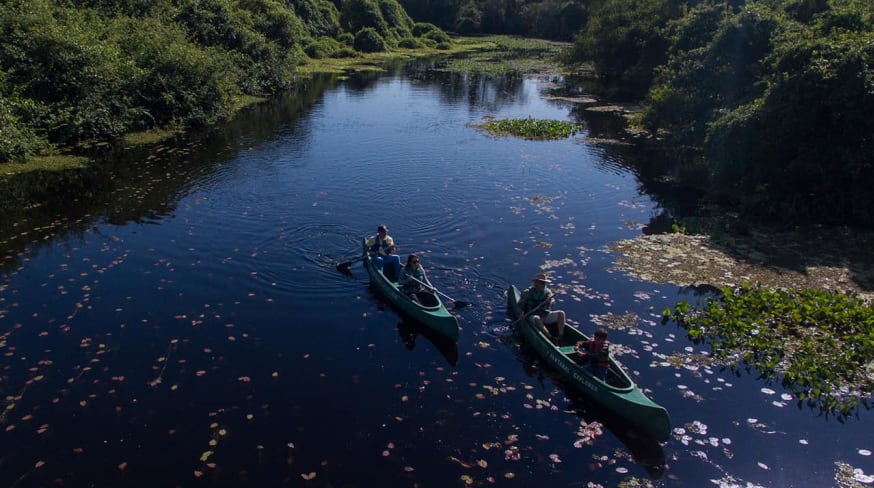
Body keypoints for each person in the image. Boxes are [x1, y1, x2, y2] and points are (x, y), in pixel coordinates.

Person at [518, 272, 566, 342]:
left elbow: (552, 303)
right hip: (531, 315)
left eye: (544, 283)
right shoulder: (527, 292)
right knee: (537, 318)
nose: (543, 285)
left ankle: (561, 335)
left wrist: (550, 301)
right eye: (541, 283)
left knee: (561, 313)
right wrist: (521, 313)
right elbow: (520, 305)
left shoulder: (548, 292)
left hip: (544, 314)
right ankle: (550, 338)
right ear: (535, 283)